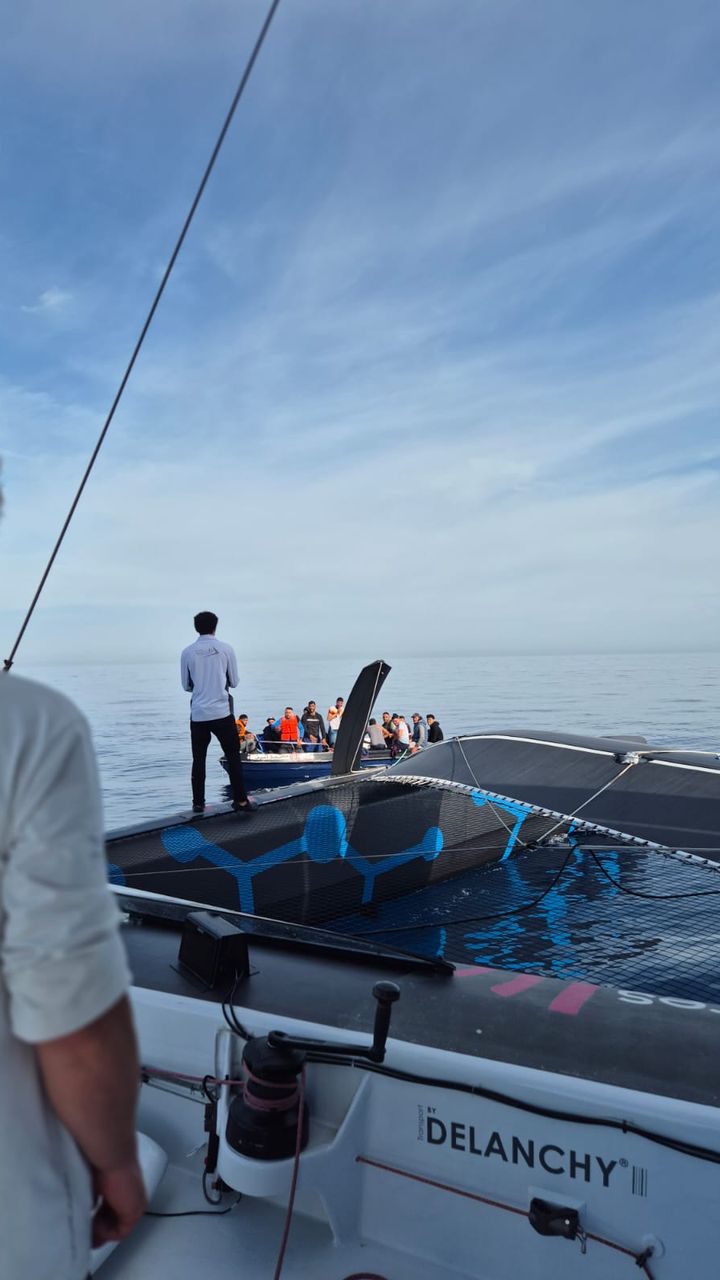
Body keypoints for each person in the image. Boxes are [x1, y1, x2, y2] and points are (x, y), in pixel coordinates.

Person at [180, 611, 251, 813]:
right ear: (215, 626)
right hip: (222, 712)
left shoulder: (187, 652)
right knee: (233, 756)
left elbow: (186, 685)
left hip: (199, 713)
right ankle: (241, 801)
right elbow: (235, 681)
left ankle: (198, 804)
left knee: (199, 759)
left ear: (196, 627)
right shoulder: (226, 649)